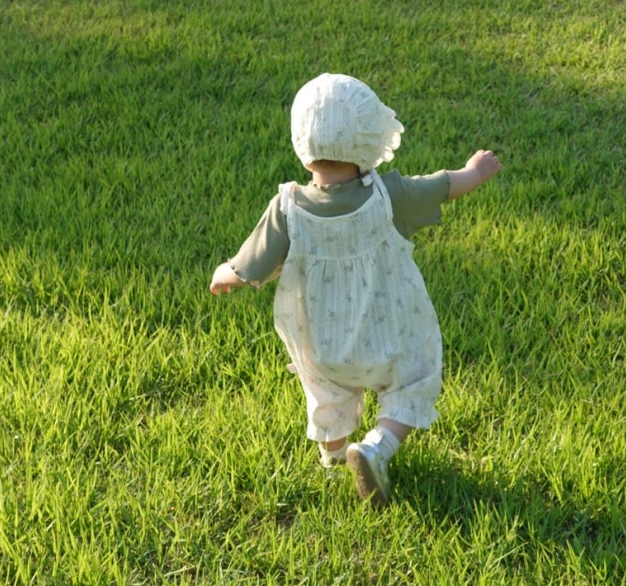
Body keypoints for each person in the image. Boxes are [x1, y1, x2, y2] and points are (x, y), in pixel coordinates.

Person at [210, 73, 502, 508]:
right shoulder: (387, 196)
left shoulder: (287, 208)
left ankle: (333, 458)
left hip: (325, 347)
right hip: (388, 338)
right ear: (367, 141)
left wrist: (226, 272)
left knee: (326, 391)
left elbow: (253, 264)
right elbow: (442, 186)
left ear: (303, 142)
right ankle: (376, 448)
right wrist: (474, 172)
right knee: (414, 379)